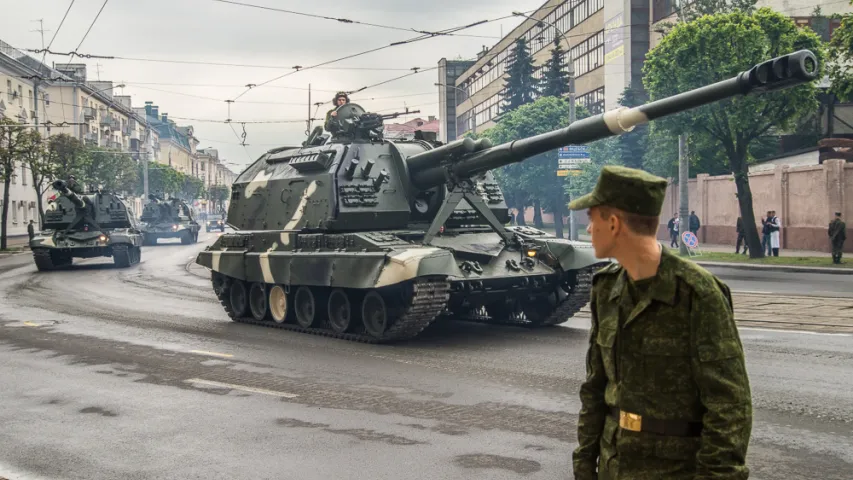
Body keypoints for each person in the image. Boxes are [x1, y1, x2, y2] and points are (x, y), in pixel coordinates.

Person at [568, 165, 752, 480]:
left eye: (592, 219)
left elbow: (729, 406)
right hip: (614, 467)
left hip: (674, 470)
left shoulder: (698, 293)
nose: (588, 230)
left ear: (613, 224)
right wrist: (585, 465)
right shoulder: (605, 288)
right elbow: (595, 389)